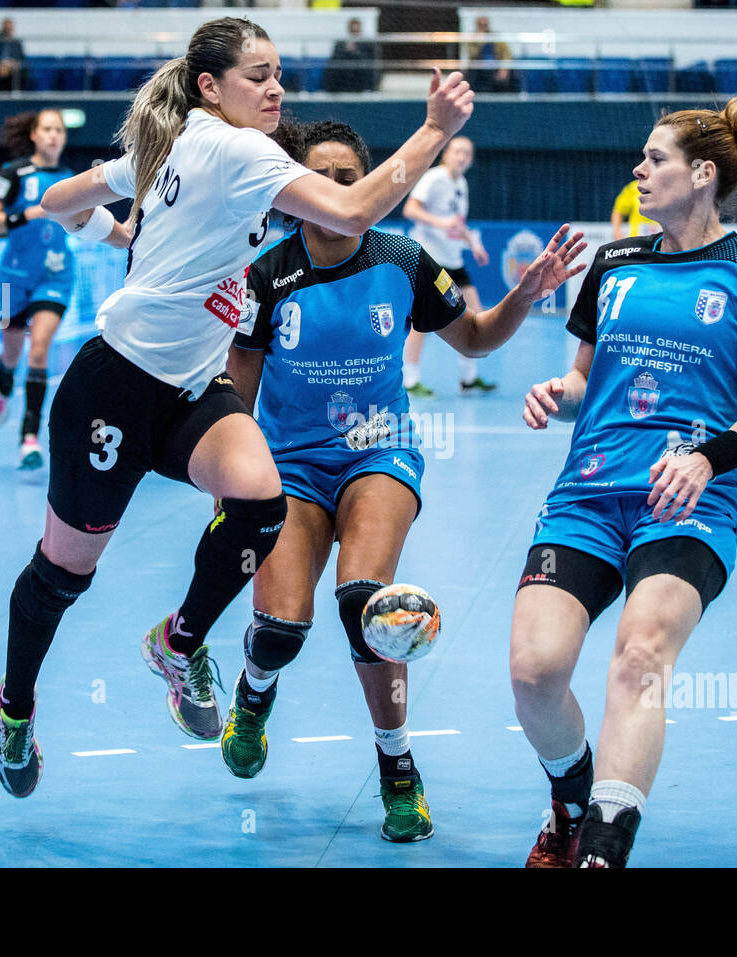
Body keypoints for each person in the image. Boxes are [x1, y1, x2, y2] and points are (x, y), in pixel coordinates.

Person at [0, 16, 474, 799]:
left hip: (191, 388)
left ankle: (178, 643)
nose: (276, 88)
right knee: (63, 574)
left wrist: (118, 231)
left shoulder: (177, 145)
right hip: (114, 386)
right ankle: (15, 708)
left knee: (259, 499)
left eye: (280, 73)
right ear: (210, 87)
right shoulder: (234, 148)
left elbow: (57, 197)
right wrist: (433, 131)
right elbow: (353, 211)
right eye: (258, 76)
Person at [225, 119, 585, 841]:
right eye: (319, 177)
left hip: (379, 451)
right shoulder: (265, 274)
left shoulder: (404, 259)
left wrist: (523, 295)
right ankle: (254, 692)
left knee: (369, 605)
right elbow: (236, 399)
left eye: (348, 177)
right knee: (281, 630)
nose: (335, 189)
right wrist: (234, 497)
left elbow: (475, 338)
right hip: (289, 463)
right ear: (295, 189)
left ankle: (398, 768)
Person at [511, 97, 737, 867]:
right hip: (586, 493)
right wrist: (558, 392)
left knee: (640, 654)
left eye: (655, 158)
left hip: (688, 498)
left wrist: (708, 457)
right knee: (535, 671)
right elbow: (585, 380)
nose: (638, 170)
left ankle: (604, 845)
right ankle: (571, 797)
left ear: (702, 173)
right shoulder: (613, 262)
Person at [0, 109, 75, 470]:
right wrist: (26, 215)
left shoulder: (70, 179)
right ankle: (3, 384)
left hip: (55, 275)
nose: (54, 135)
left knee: (38, 352)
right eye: (47, 129)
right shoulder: (13, 173)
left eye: (59, 130)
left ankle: (29, 437)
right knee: (11, 353)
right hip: (13, 277)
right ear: (34, 135)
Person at [401, 136, 495, 397]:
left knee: (476, 316)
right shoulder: (434, 177)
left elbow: (457, 223)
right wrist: (441, 223)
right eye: (457, 151)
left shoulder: (461, 183)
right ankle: (411, 380)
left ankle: (468, 378)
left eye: (467, 153)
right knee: (422, 322)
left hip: (454, 261)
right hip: (433, 261)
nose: (462, 157)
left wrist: (473, 243)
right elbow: (410, 209)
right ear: (446, 154)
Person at [321, 17, 378, 93]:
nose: (354, 33)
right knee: (334, 66)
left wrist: (356, 52)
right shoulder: (340, 43)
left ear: (360, 30)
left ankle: (364, 89)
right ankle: (333, 91)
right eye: (352, 30)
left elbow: (370, 59)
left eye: (356, 31)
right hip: (344, 71)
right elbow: (335, 58)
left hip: (359, 70)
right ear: (349, 29)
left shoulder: (367, 43)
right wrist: (346, 51)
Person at [466, 15, 516, 94]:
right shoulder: (472, 38)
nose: (482, 27)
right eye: (480, 25)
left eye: (484, 25)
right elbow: (472, 55)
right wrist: (480, 41)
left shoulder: (494, 37)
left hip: (495, 66)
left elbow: (507, 54)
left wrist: (504, 68)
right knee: (470, 75)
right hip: (479, 68)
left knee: (509, 76)